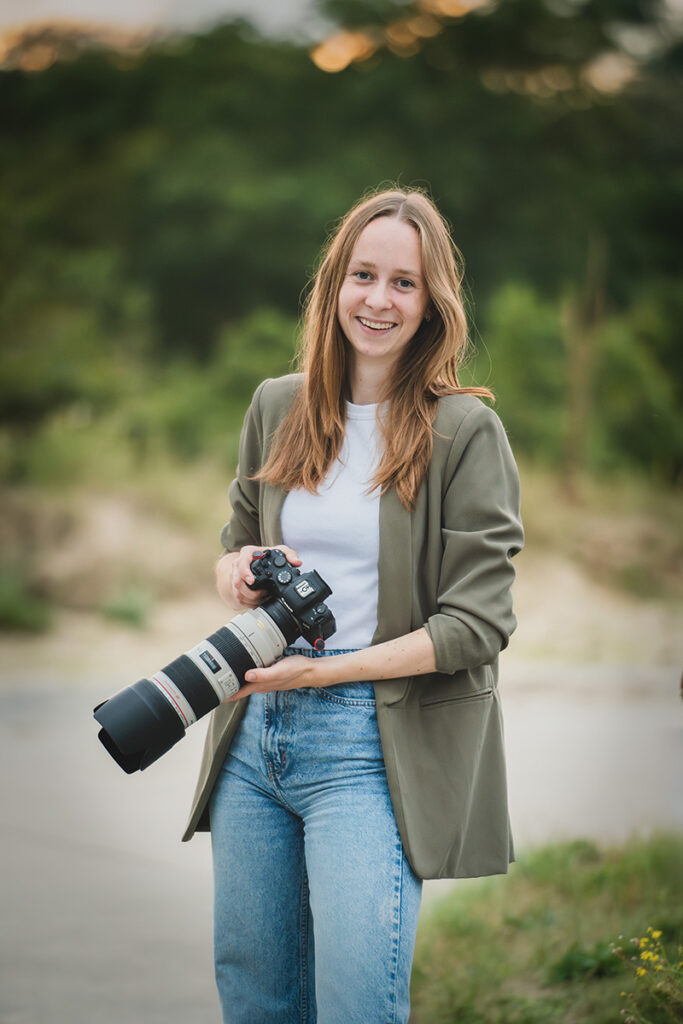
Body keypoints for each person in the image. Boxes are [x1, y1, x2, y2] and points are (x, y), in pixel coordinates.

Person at [182, 187, 524, 1024]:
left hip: (371, 745)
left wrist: (320, 674)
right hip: (253, 737)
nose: (378, 300)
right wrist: (237, 572)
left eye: (403, 283)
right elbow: (235, 545)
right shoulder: (277, 405)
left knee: (357, 1004)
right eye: (363, 275)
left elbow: (477, 625)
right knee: (257, 1000)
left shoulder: (464, 432)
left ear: (432, 301)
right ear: (335, 283)